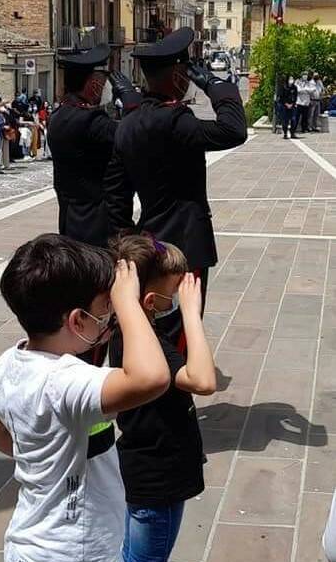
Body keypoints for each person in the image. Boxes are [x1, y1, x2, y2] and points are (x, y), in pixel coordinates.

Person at [0, 233, 170, 562]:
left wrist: (38, 460)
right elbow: (152, 376)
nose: (110, 318)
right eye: (104, 309)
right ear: (79, 319)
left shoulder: (12, 361)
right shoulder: (65, 381)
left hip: (38, 559)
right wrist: (127, 301)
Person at [109, 233, 216, 562]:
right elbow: (202, 380)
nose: (177, 301)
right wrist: (192, 313)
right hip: (157, 476)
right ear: (150, 297)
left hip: (147, 468)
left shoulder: (132, 332)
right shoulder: (147, 341)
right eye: (172, 294)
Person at [105, 27, 247, 340]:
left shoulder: (127, 125)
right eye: (185, 72)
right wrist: (215, 85)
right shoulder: (176, 120)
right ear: (178, 76)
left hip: (149, 239)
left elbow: (116, 193)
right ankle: (171, 385)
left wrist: (126, 237)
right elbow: (234, 130)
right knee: (181, 329)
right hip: (185, 244)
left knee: (152, 321)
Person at [47, 45, 138, 248]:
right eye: (105, 82)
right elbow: (134, 136)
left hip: (71, 218)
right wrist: (132, 103)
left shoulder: (58, 116)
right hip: (98, 224)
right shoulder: (92, 121)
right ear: (94, 85)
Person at [280, 75, 298, 140]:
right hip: (284, 106)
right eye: (290, 79)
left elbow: (295, 97)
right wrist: (286, 104)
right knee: (285, 121)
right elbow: (281, 97)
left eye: (292, 79)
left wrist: (292, 104)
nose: (291, 80)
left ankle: (292, 133)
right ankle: (285, 133)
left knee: (293, 120)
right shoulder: (283, 87)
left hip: (292, 106)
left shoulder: (294, 87)